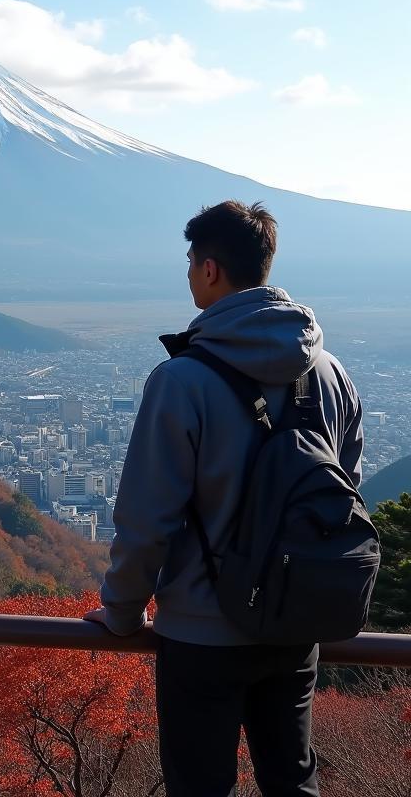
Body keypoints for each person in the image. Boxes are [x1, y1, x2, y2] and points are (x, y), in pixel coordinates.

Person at [84, 201, 363, 797]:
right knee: (293, 780)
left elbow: (145, 517)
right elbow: (344, 494)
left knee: (200, 786)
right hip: (297, 620)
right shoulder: (331, 372)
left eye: (190, 261)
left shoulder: (182, 381)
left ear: (211, 269)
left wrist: (123, 611)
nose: (187, 273)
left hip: (202, 631)